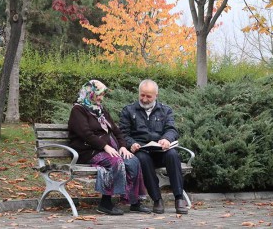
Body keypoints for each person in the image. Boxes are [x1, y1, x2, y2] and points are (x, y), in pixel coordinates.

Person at [68, 80, 150, 215]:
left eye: (102, 95)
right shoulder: (78, 110)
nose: (101, 98)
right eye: (98, 94)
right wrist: (105, 146)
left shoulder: (100, 110)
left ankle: (134, 202)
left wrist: (123, 147)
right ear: (90, 93)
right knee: (115, 161)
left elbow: (116, 131)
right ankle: (105, 203)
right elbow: (86, 134)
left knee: (133, 160)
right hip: (88, 151)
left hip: (108, 148)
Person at [118, 79, 188, 214]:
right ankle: (157, 199)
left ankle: (179, 198)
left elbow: (172, 129)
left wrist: (167, 139)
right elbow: (123, 134)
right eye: (142, 95)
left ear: (156, 95)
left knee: (173, 154)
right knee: (143, 159)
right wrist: (131, 143)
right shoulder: (128, 110)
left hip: (160, 150)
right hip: (141, 150)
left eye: (148, 96)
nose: (144, 99)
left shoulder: (165, 110)